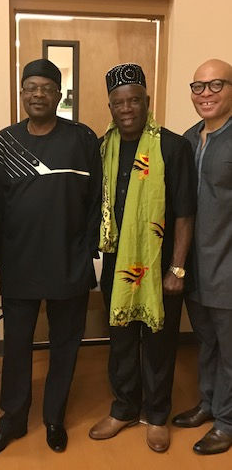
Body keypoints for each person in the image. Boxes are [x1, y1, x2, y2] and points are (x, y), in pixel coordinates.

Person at [0, 59, 102, 457]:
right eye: (30, 87)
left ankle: (54, 418)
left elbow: (97, 200)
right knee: (17, 345)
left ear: (59, 94)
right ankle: (13, 419)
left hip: (69, 261)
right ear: (22, 93)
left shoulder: (82, 139)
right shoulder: (4, 143)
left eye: (47, 88)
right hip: (19, 262)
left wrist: (89, 251)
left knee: (65, 344)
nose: (38, 94)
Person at [88, 63, 196, 452]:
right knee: (120, 340)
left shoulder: (172, 147)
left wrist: (177, 268)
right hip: (116, 264)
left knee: (159, 343)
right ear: (110, 107)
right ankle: (124, 409)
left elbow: (185, 213)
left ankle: (156, 415)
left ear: (147, 101)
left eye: (134, 100)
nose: (127, 108)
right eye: (119, 102)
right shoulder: (103, 148)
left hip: (160, 265)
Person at [172, 59, 232, 455]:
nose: (205, 93)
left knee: (230, 351)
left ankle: (227, 422)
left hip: (227, 268)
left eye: (216, 85)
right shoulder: (188, 139)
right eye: (198, 86)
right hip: (193, 268)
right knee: (206, 343)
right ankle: (209, 404)